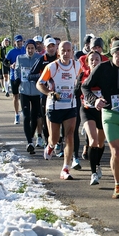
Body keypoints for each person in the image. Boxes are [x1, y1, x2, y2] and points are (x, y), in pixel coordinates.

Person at [82, 40, 119, 198]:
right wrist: (95, 100)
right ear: (111, 54)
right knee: (116, 151)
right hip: (110, 114)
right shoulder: (102, 68)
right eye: (117, 55)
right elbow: (85, 86)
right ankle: (118, 185)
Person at [36, 41, 82, 180]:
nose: (66, 53)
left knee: (69, 136)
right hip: (54, 106)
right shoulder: (52, 67)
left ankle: (65, 168)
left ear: (72, 52)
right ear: (58, 52)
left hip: (70, 105)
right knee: (55, 139)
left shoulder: (77, 65)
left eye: (69, 50)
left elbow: (80, 80)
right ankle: (50, 145)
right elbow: (40, 84)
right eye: (63, 50)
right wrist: (50, 93)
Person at [75, 50, 106, 184]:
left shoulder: (106, 75)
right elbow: (76, 92)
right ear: (87, 62)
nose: (94, 62)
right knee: (93, 141)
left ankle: (97, 164)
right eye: (91, 60)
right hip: (87, 110)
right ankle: (93, 173)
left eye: (97, 59)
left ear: (101, 61)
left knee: (100, 143)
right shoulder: (83, 75)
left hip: (103, 112)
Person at [29, 37, 58, 147]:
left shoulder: (60, 58)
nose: (51, 49)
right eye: (49, 46)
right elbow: (30, 76)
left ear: (56, 47)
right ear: (45, 48)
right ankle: (47, 141)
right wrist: (43, 77)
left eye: (53, 46)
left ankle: (58, 141)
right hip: (46, 93)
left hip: (61, 92)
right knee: (47, 118)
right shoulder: (42, 59)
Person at [15, 39, 41, 154]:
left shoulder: (39, 58)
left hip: (36, 91)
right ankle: (29, 142)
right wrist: (17, 79)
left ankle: (30, 137)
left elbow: (43, 72)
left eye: (32, 48)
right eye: (28, 48)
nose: (30, 50)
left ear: (35, 49)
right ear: (25, 49)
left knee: (34, 117)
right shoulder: (20, 58)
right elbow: (16, 70)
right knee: (26, 117)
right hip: (24, 91)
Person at [4, 35, 26, 123]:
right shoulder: (11, 52)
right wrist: (10, 65)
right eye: (18, 42)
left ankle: (25, 113)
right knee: (15, 96)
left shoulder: (26, 50)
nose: (20, 43)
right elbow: (5, 62)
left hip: (25, 77)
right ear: (15, 43)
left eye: (21, 41)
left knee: (25, 96)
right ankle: (16, 114)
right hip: (14, 77)